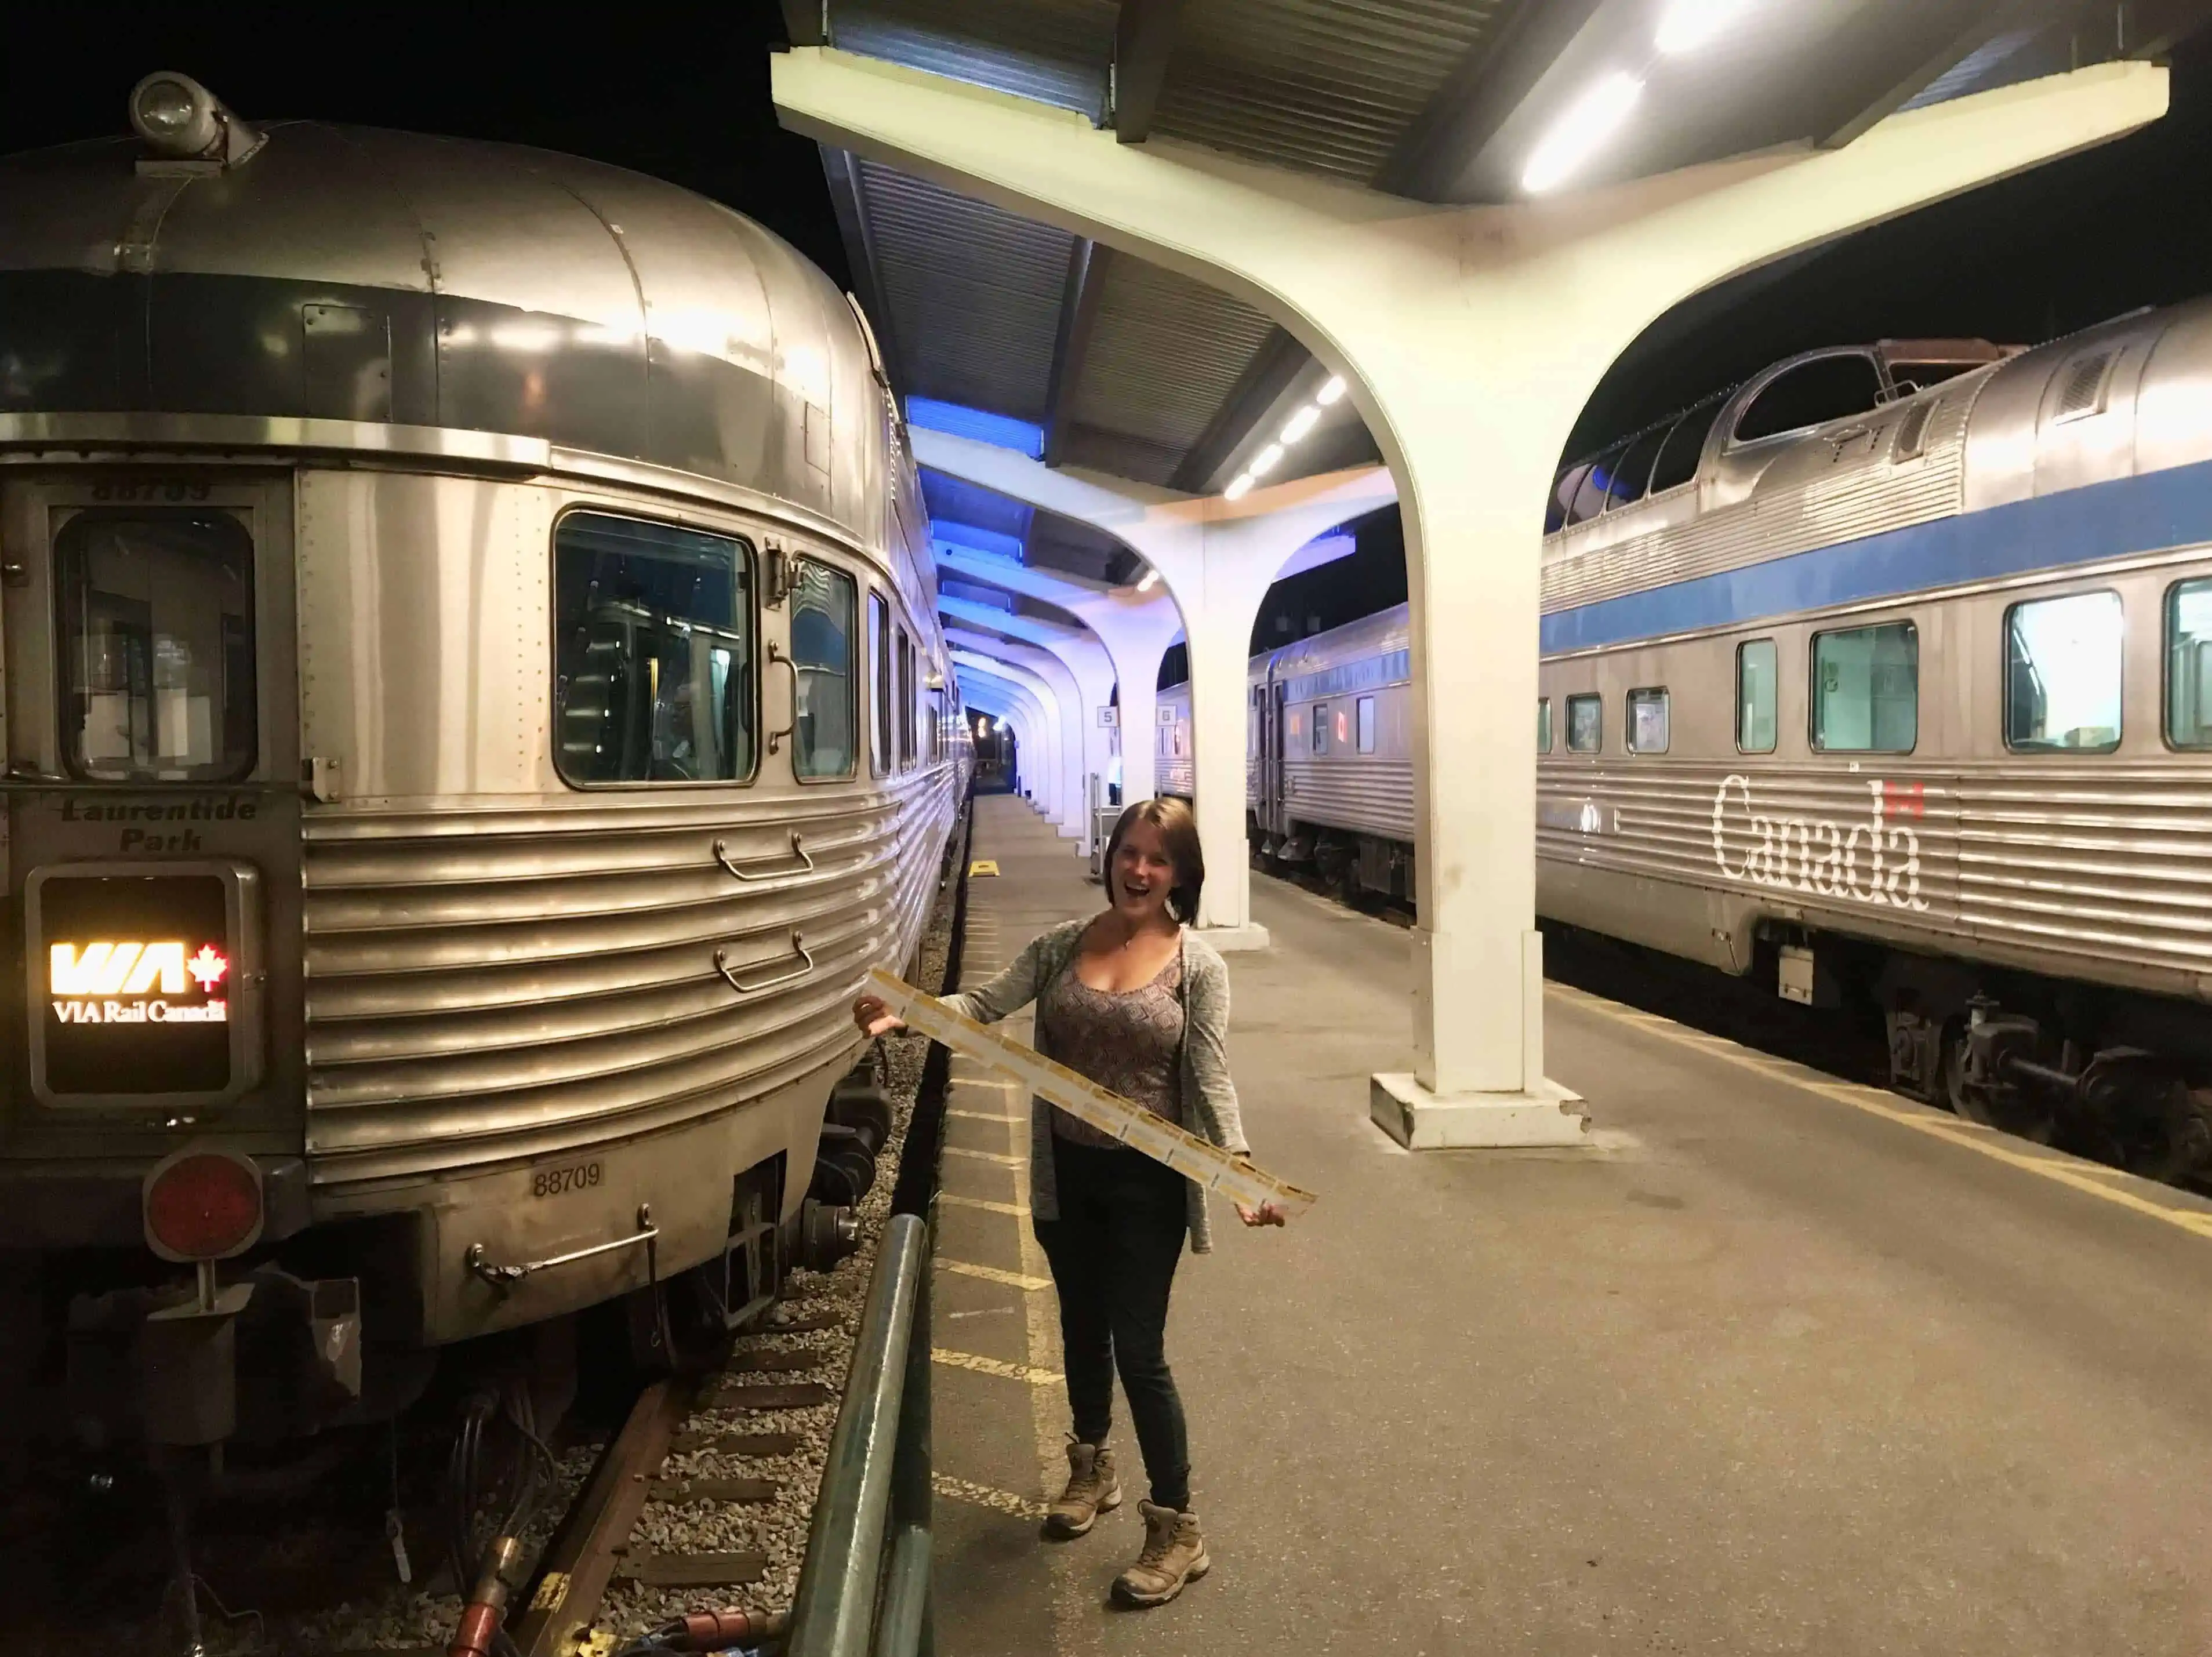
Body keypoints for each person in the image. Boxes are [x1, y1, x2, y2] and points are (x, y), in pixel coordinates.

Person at [852, 796, 1282, 1608]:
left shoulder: (1198, 966)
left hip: (1148, 1185)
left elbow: (1209, 1075)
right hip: (1068, 1177)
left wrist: (1240, 1172)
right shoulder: (1059, 947)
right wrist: (903, 1014)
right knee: (1079, 1327)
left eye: (1158, 858)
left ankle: (1176, 1524)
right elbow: (980, 1006)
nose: (1139, 869)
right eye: (1130, 851)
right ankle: (1090, 1463)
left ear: (1180, 874)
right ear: (1112, 853)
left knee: (1139, 1351)